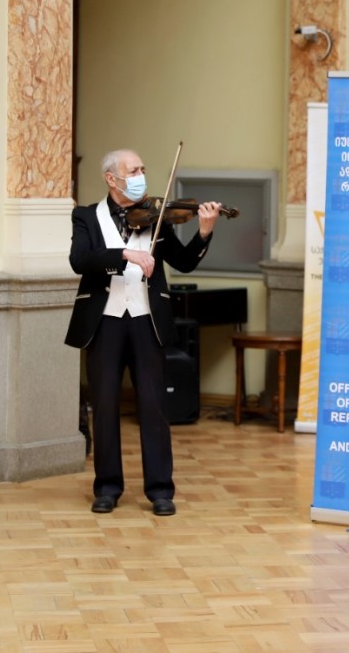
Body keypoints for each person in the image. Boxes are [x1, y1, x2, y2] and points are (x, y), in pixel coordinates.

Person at [65, 148, 222, 517]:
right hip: (104, 321)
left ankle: (160, 490)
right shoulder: (86, 216)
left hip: (146, 320)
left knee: (154, 406)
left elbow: (183, 262)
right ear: (111, 178)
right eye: (133, 170)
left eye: (142, 169)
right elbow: (79, 260)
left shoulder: (156, 216)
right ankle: (107, 488)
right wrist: (125, 255)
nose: (140, 176)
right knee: (105, 406)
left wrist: (204, 232)